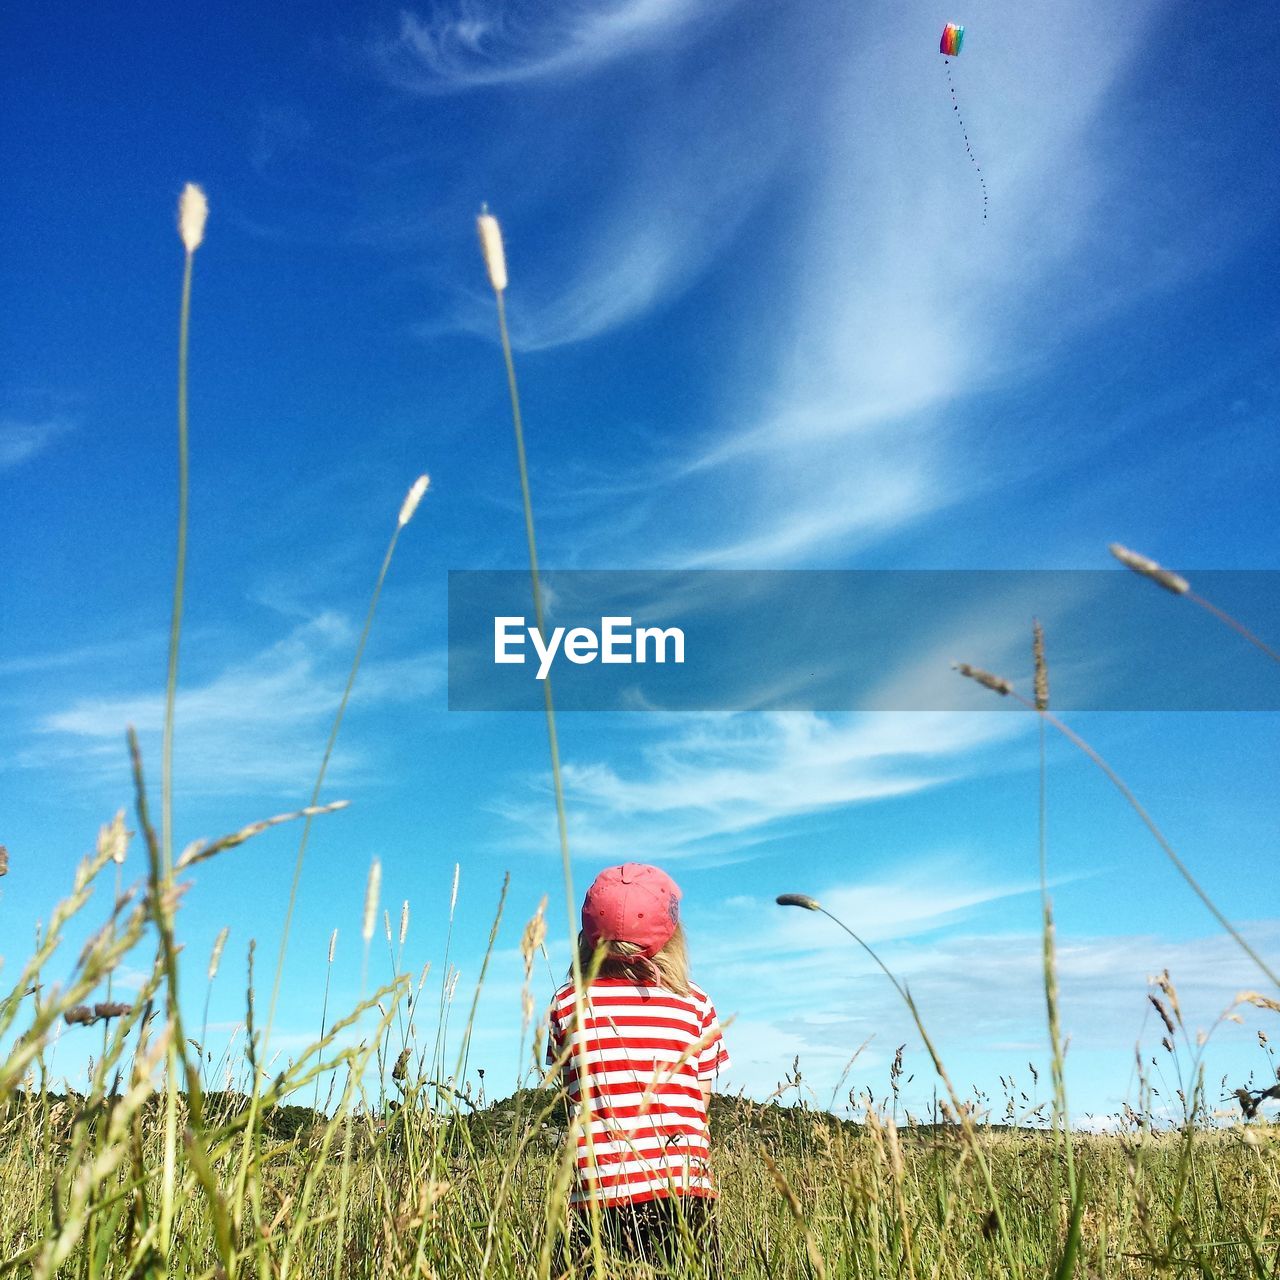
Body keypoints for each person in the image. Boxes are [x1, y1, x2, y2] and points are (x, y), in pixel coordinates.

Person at [545, 862, 730, 1276]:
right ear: (672, 935)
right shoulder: (696, 1004)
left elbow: (570, 1096)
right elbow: (699, 1102)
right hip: (684, 1192)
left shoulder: (565, 1005)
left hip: (598, 1196)